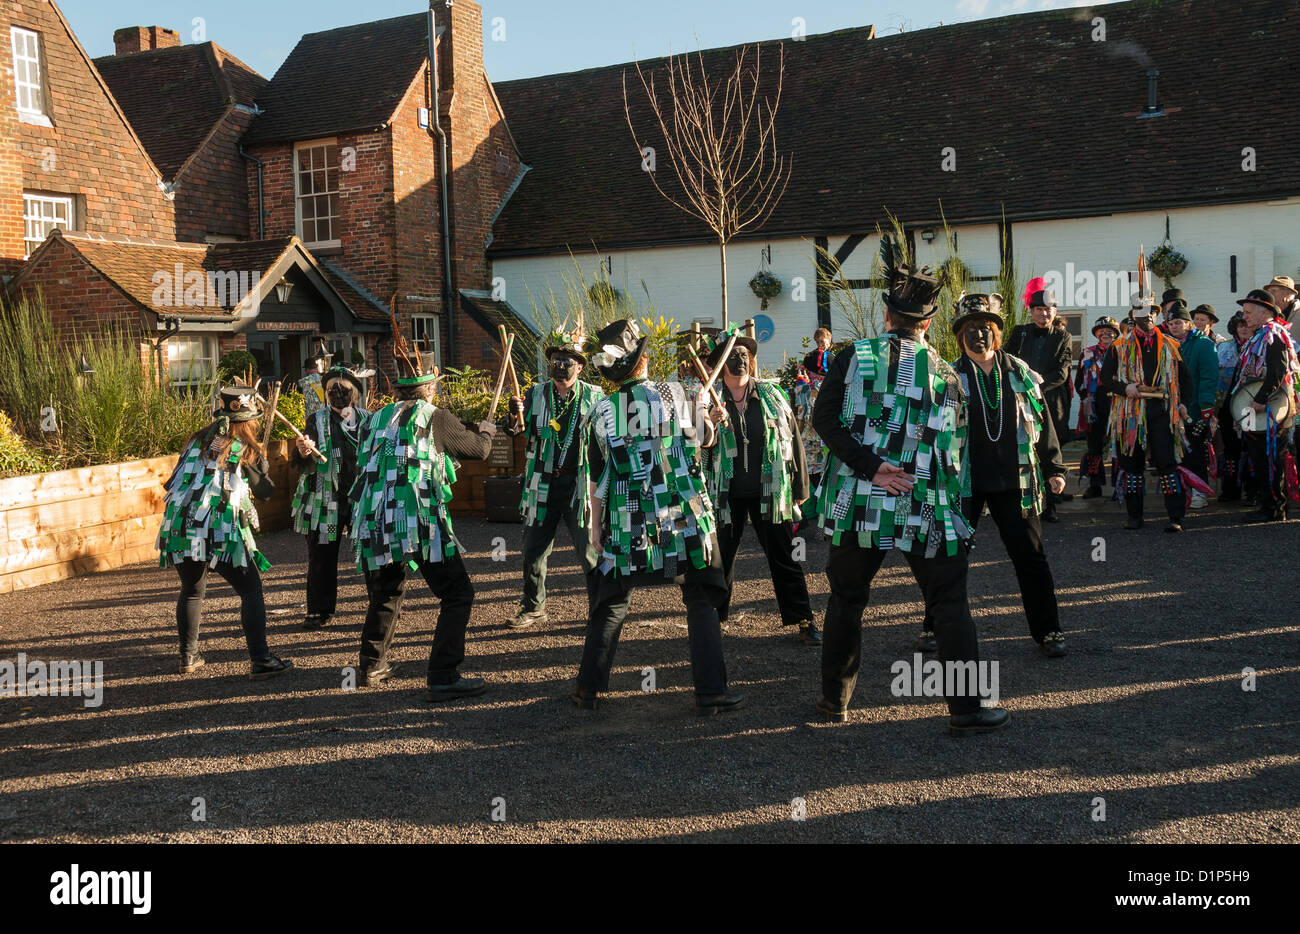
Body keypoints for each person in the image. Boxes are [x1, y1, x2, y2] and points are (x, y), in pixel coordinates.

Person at [812, 253, 1008, 736]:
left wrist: (872, 466)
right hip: (925, 500)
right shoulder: (947, 375)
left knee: (846, 599)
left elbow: (824, 421)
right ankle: (966, 710)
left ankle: (834, 701)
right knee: (948, 602)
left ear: (886, 316)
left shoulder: (851, 356)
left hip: (860, 499)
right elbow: (954, 449)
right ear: (931, 321)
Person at [572, 318, 741, 716]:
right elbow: (704, 442)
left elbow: (598, 477)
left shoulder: (599, 412)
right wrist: (711, 422)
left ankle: (588, 689)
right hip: (684, 514)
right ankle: (711, 692)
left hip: (627, 520)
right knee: (701, 598)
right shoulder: (680, 394)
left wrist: (596, 526)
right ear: (644, 359)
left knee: (610, 603)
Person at [916, 294, 1068, 657]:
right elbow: (931, 429)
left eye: (986, 328)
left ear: (997, 333)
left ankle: (1048, 630)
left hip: (1015, 482)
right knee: (949, 557)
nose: (979, 336)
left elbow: (1042, 421)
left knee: (1030, 556)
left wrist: (1054, 468)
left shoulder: (1019, 373)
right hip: (964, 483)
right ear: (960, 337)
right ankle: (933, 627)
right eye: (970, 330)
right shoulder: (947, 377)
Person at [350, 339, 498, 696]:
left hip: (377, 521)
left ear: (401, 388)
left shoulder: (376, 418)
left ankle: (371, 666)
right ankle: (443, 676)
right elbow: (478, 450)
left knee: (385, 592)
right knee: (457, 594)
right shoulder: (437, 417)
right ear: (430, 387)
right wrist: (489, 431)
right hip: (419, 523)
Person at [156, 383, 293, 679]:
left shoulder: (197, 440)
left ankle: (188, 658)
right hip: (219, 526)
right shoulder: (246, 449)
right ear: (249, 421)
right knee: (251, 590)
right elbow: (266, 492)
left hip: (181, 524)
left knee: (192, 590)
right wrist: (263, 468)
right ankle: (261, 658)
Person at [698, 323, 817, 645]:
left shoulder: (771, 395)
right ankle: (713, 621)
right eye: (732, 355)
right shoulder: (706, 401)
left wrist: (800, 487)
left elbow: (792, 439)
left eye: (744, 354)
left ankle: (803, 618)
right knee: (719, 560)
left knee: (785, 557)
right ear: (719, 364)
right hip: (723, 495)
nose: (739, 360)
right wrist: (707, 423)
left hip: (770, 491)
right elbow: (693, 448)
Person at [504, 326, 603, 629]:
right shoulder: (534, 394)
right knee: (533, 549)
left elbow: (607, 440)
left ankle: (600, 609)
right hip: (542, 482)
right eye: (555, 360)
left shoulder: (596, 397)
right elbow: (514, 430)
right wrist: (512, 414)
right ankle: (534, 607)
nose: (560, 365)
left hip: (579, 484)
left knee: (589, 550)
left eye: (567, 360)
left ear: (580, 366)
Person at [1100, 293, 1197, 532]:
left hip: (1161, 411)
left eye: (1153, 312)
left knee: (1167, 463)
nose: (1149, 317)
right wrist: (1126, 387)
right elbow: (1105, 379)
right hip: (1129, 413)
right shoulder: (1119, 346)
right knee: (1131, 465)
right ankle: (1135, 517)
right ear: (1134, 316)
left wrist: (1183, 402)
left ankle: (1176, 517)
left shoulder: (1170, 345)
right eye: (1142, 312)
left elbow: (1185, 379)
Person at [291, 363, 372, 629]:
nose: (336, 394)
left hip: (361, 496)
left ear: (355, 393)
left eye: (343, 389)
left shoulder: (370, 420)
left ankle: (382, 605)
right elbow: (302, 458)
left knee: (373, 552)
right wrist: (304, 450)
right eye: (331, 390)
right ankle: (319, 610)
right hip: (326, 498)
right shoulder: (315, 420)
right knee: (322, 554)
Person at [1230, 289, 1300, 523]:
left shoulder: (1273, 335)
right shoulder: (1258, 336)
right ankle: (1269, 504)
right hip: (1256, 408)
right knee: (1260, 459)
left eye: (1249, 312)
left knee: (1269, 459)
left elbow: (1278, 372)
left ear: (1265, 312)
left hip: (1269, 409)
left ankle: (1274, 508)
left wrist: (1260, 399)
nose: (1245, 316)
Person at [1005, 289, 1074, 521]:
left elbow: (1062, 372)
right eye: (1039, 309)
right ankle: (1025, 501)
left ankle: (1050, 506)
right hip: (1021, 400)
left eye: (1048, 309)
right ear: (1031, 311)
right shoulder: (1020, 333)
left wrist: (1035, 387)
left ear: (1055, 311)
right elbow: (1007, 360)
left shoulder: (1062, 336)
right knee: (1024, 448)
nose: (1044, 313)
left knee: (1049, 450)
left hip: (1050, 401)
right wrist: (1022, 387)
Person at [1166, 303, 1219, 509]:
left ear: (1188, 324)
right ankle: (1186, 489)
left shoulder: (1203, 344)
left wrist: (1206, 406)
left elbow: (1209, 377)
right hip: (1173, 407)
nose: (1174, 326)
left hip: (1195, 406)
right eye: (1171, 323)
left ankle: (1200, 492)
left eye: (1178, 322)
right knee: (1178, 452)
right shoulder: (1168, 344)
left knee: (1195, 451)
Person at [1076, 316, 1120, 498]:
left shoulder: (1123, 352)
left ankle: (1120, 486)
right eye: (1101, 331)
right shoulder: (1087, 353)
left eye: (1110, 330)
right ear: (1096, 334)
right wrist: (1087, 400)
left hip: (1118, 404)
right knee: (1094, 447)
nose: (1105, 333)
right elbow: (1079, 380)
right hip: (1094, 406)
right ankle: (1095, 486)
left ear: (1116, 334)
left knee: (1119, 447)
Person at [1217, 311, 1252, 504]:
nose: (1244, 329)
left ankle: (1250, 490)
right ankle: (1230, 489)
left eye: (1247, 324)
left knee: (1249, 446)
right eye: (1241, 325)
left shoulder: (1259, 346)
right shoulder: (1224, 348)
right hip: (1227, 406)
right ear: (1235, 328)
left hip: (1251, 406)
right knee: (1230, 447)